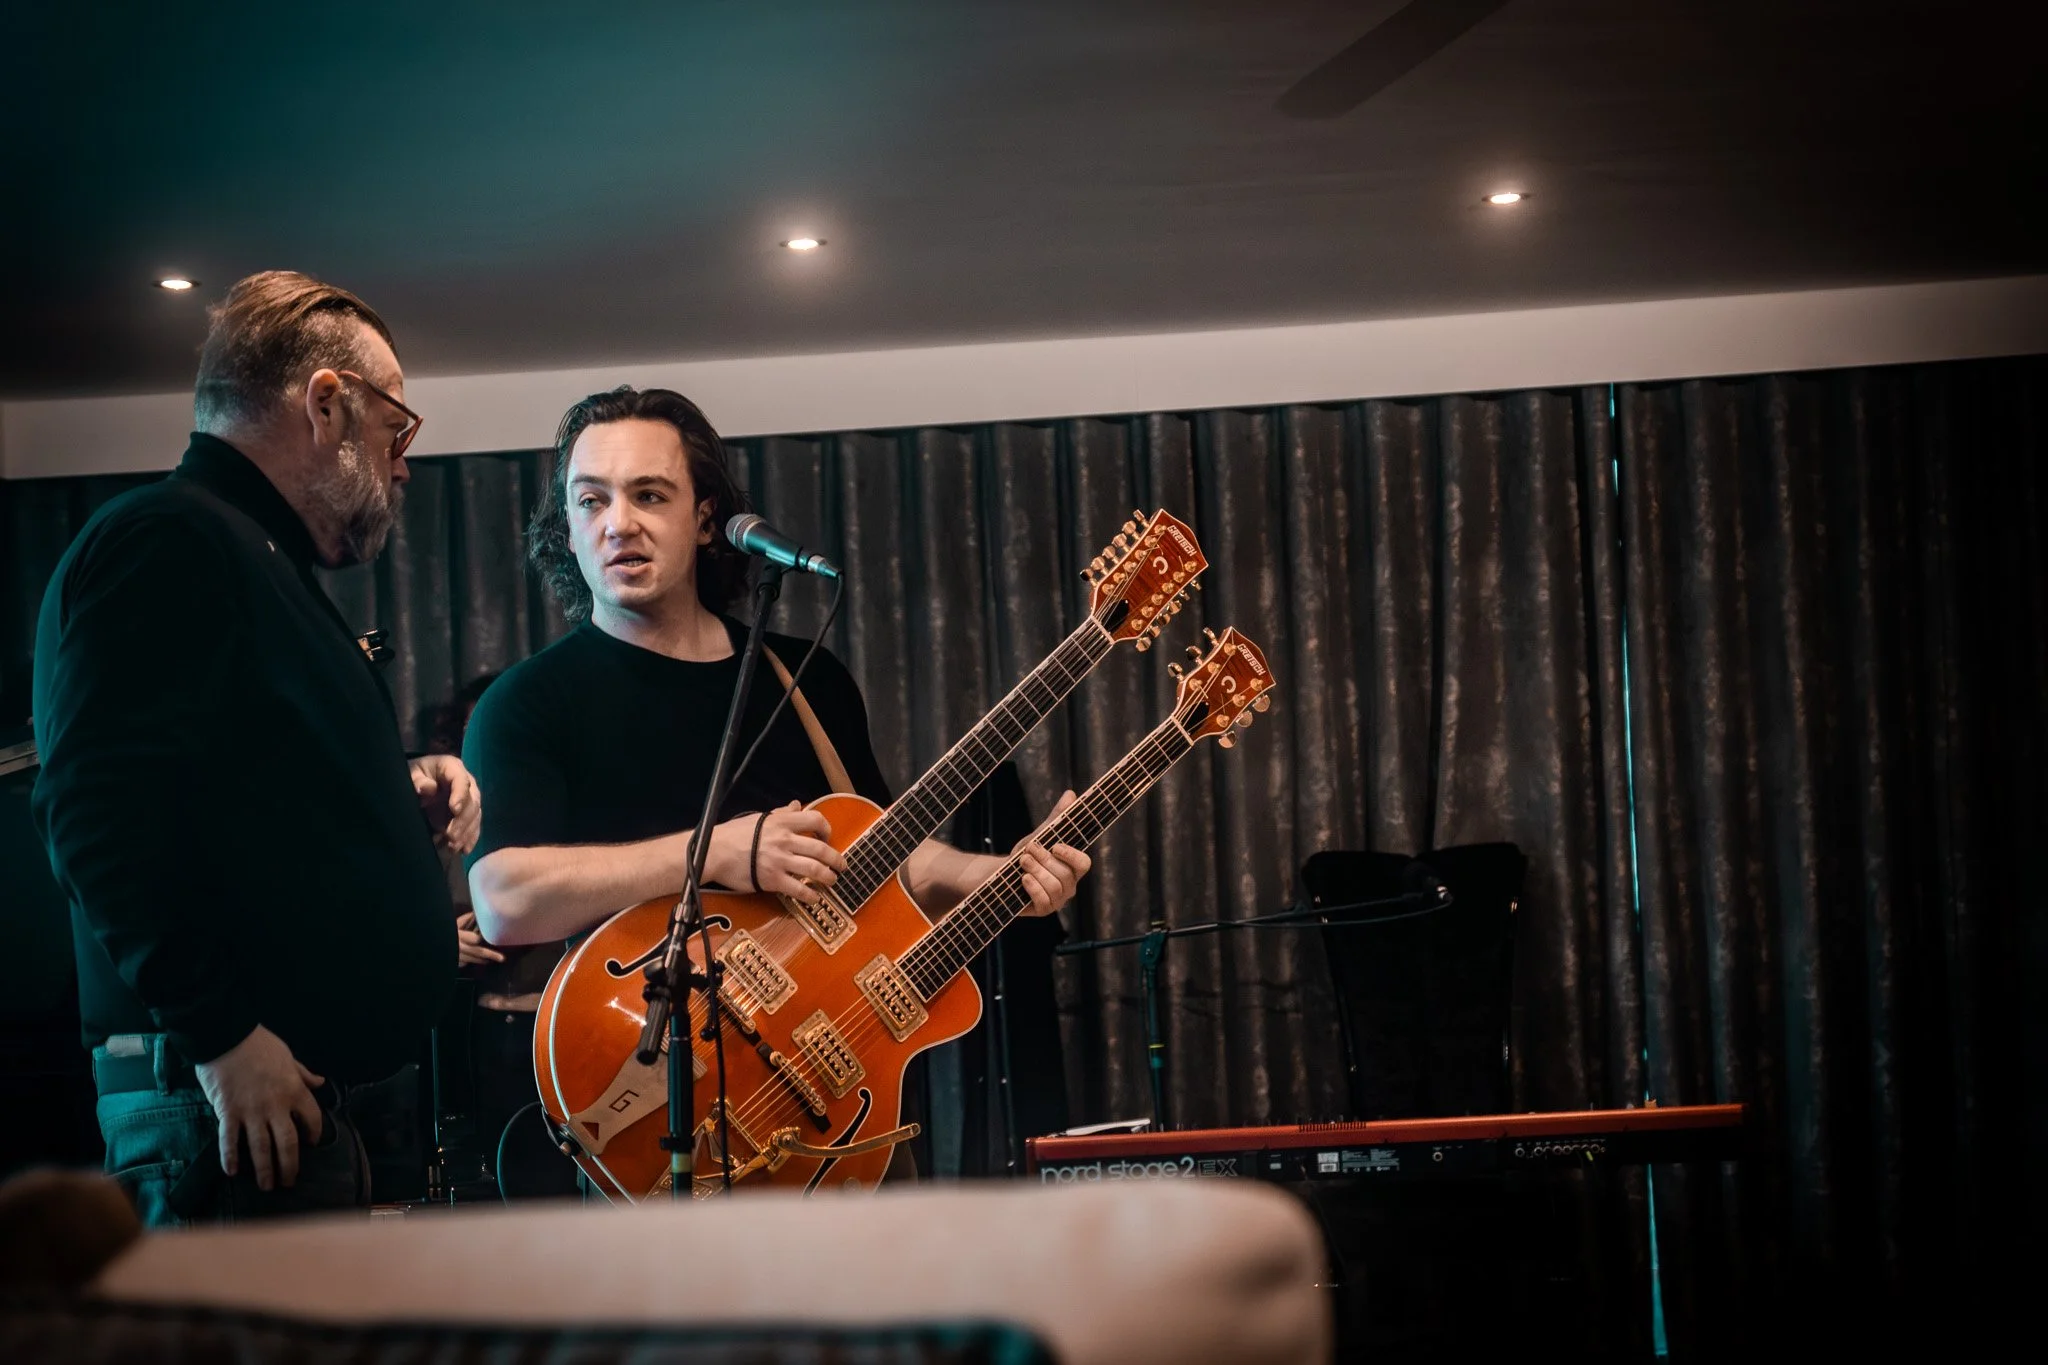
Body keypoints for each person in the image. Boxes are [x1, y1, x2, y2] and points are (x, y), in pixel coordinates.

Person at [462, 387, 1091, 1181]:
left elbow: (883, 853)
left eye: (649, 495)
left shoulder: (806, 679)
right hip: (646, 1104)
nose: (618, 522)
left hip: (830, 1101)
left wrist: (998, 875)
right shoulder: (527, 703)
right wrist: (719, 852)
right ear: (568, 525)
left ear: (705, 518)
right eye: (592, 500)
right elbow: (503, 900)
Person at [31, 271, 480, 1225]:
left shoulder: (243, 552)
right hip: (225, 1102)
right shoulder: (169, 538)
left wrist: (388, 797)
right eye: (395, 428)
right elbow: (95, 809)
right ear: (326, 403)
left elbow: (238, 797)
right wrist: (224, 1036)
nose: (402, 466)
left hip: (272, 1098)